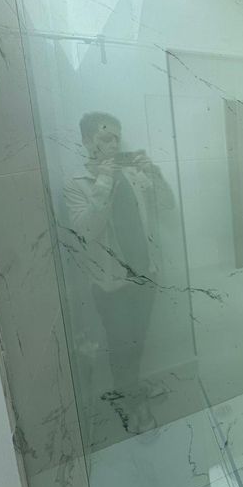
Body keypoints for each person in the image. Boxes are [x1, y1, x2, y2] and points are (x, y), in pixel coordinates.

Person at [64, 112, 174, 435]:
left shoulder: (134, 176)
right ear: (86, 141)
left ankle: (130, 389)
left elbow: (166, 205)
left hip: (146, 274)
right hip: (111, 284)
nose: (113, 144)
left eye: (116, 138)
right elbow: (86, 231)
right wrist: (103, 181)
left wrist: (155, 174)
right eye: (105, 138)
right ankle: (132, 403)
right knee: (121, 344)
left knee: (138, 339)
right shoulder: (76, 184)